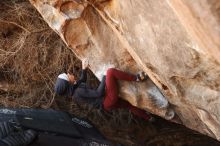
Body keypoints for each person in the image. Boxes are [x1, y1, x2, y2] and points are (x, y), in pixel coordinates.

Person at [55, 59, 151, 121]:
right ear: (68, 83)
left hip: (107, 105)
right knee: (110, 72)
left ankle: (148, 117)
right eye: (67, 76)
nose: (69, 73)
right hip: (107, 100)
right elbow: (99, 93)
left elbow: (82, 80)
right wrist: (104, 77)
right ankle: (137, 78)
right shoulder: (78, 92)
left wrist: (84, 69)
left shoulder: (75, 91)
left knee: (129, 106)